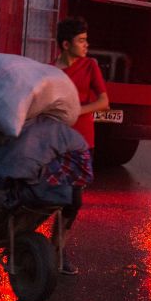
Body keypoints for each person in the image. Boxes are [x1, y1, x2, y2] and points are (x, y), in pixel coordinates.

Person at [53, 17, 109, 275]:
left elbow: (103, 102)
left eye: (87, 40)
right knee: (55, 197)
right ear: (66, 44)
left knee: (74, 200)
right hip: (58, 143)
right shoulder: (53, 72)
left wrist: (77, 112)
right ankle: (51, 250)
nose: (87, 45)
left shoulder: (90, 66)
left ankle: (58, 247)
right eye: (81, 41)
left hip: (85, 143)